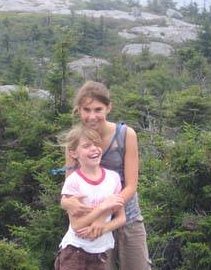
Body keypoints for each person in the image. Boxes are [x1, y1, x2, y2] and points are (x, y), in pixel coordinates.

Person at [61, 81, 152, 270]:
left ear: (108, 107)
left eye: (98, 109)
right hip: (90, 225)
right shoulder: (75, 142)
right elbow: (70, 187)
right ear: (79, 110)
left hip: (128, 217)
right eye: (86, 110)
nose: (92, 116)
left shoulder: (126, 135)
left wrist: (103, 216)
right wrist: (68, 203)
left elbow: (131, 185)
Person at [55, 124, 126, 270]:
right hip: (74, 250)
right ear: (74, 153)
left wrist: (104, 228)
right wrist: (102, 207)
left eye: (96, 144)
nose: (94, 148)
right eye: (87, 146)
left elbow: (121, 218)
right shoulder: (74, 181)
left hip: (100, 252)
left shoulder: (113, 178)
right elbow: (76, 225)